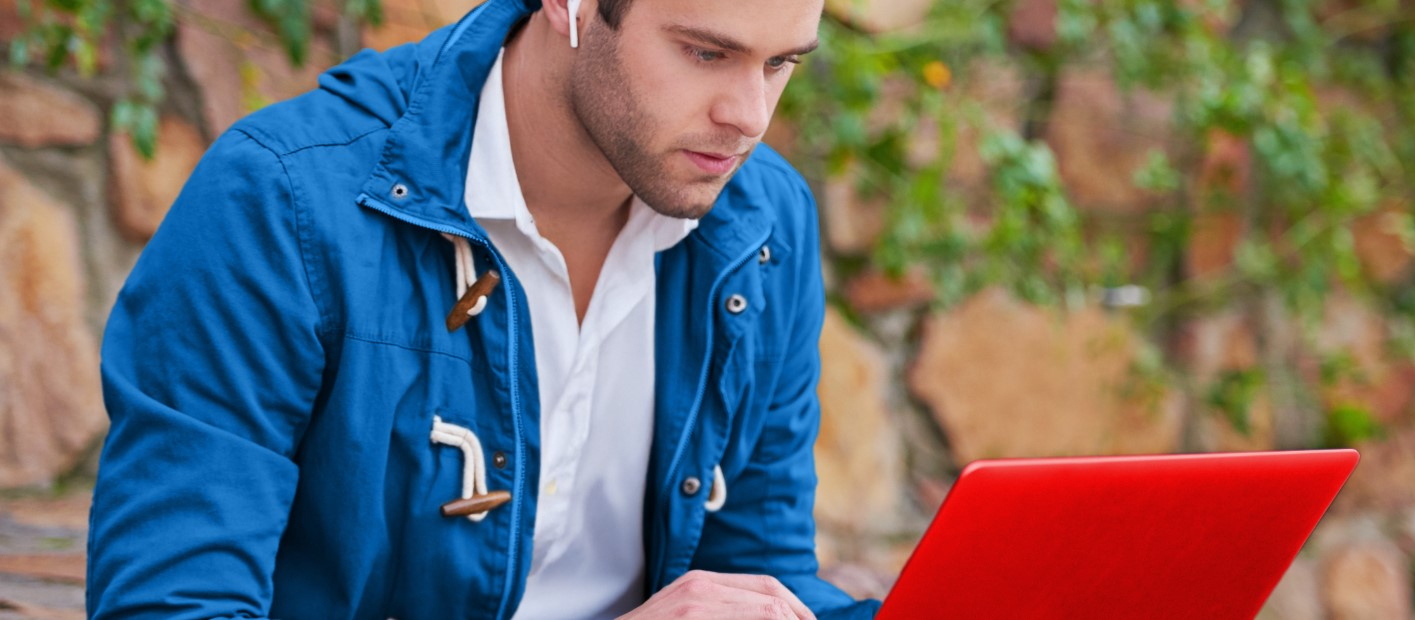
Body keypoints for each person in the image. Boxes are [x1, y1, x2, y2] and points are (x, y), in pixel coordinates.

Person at [87, 0, 878, 617]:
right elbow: (171, 603)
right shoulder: (280, 204)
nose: (749, 115)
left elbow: (760, 581)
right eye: (706, 53)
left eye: (781, 64)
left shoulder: (763, 224)